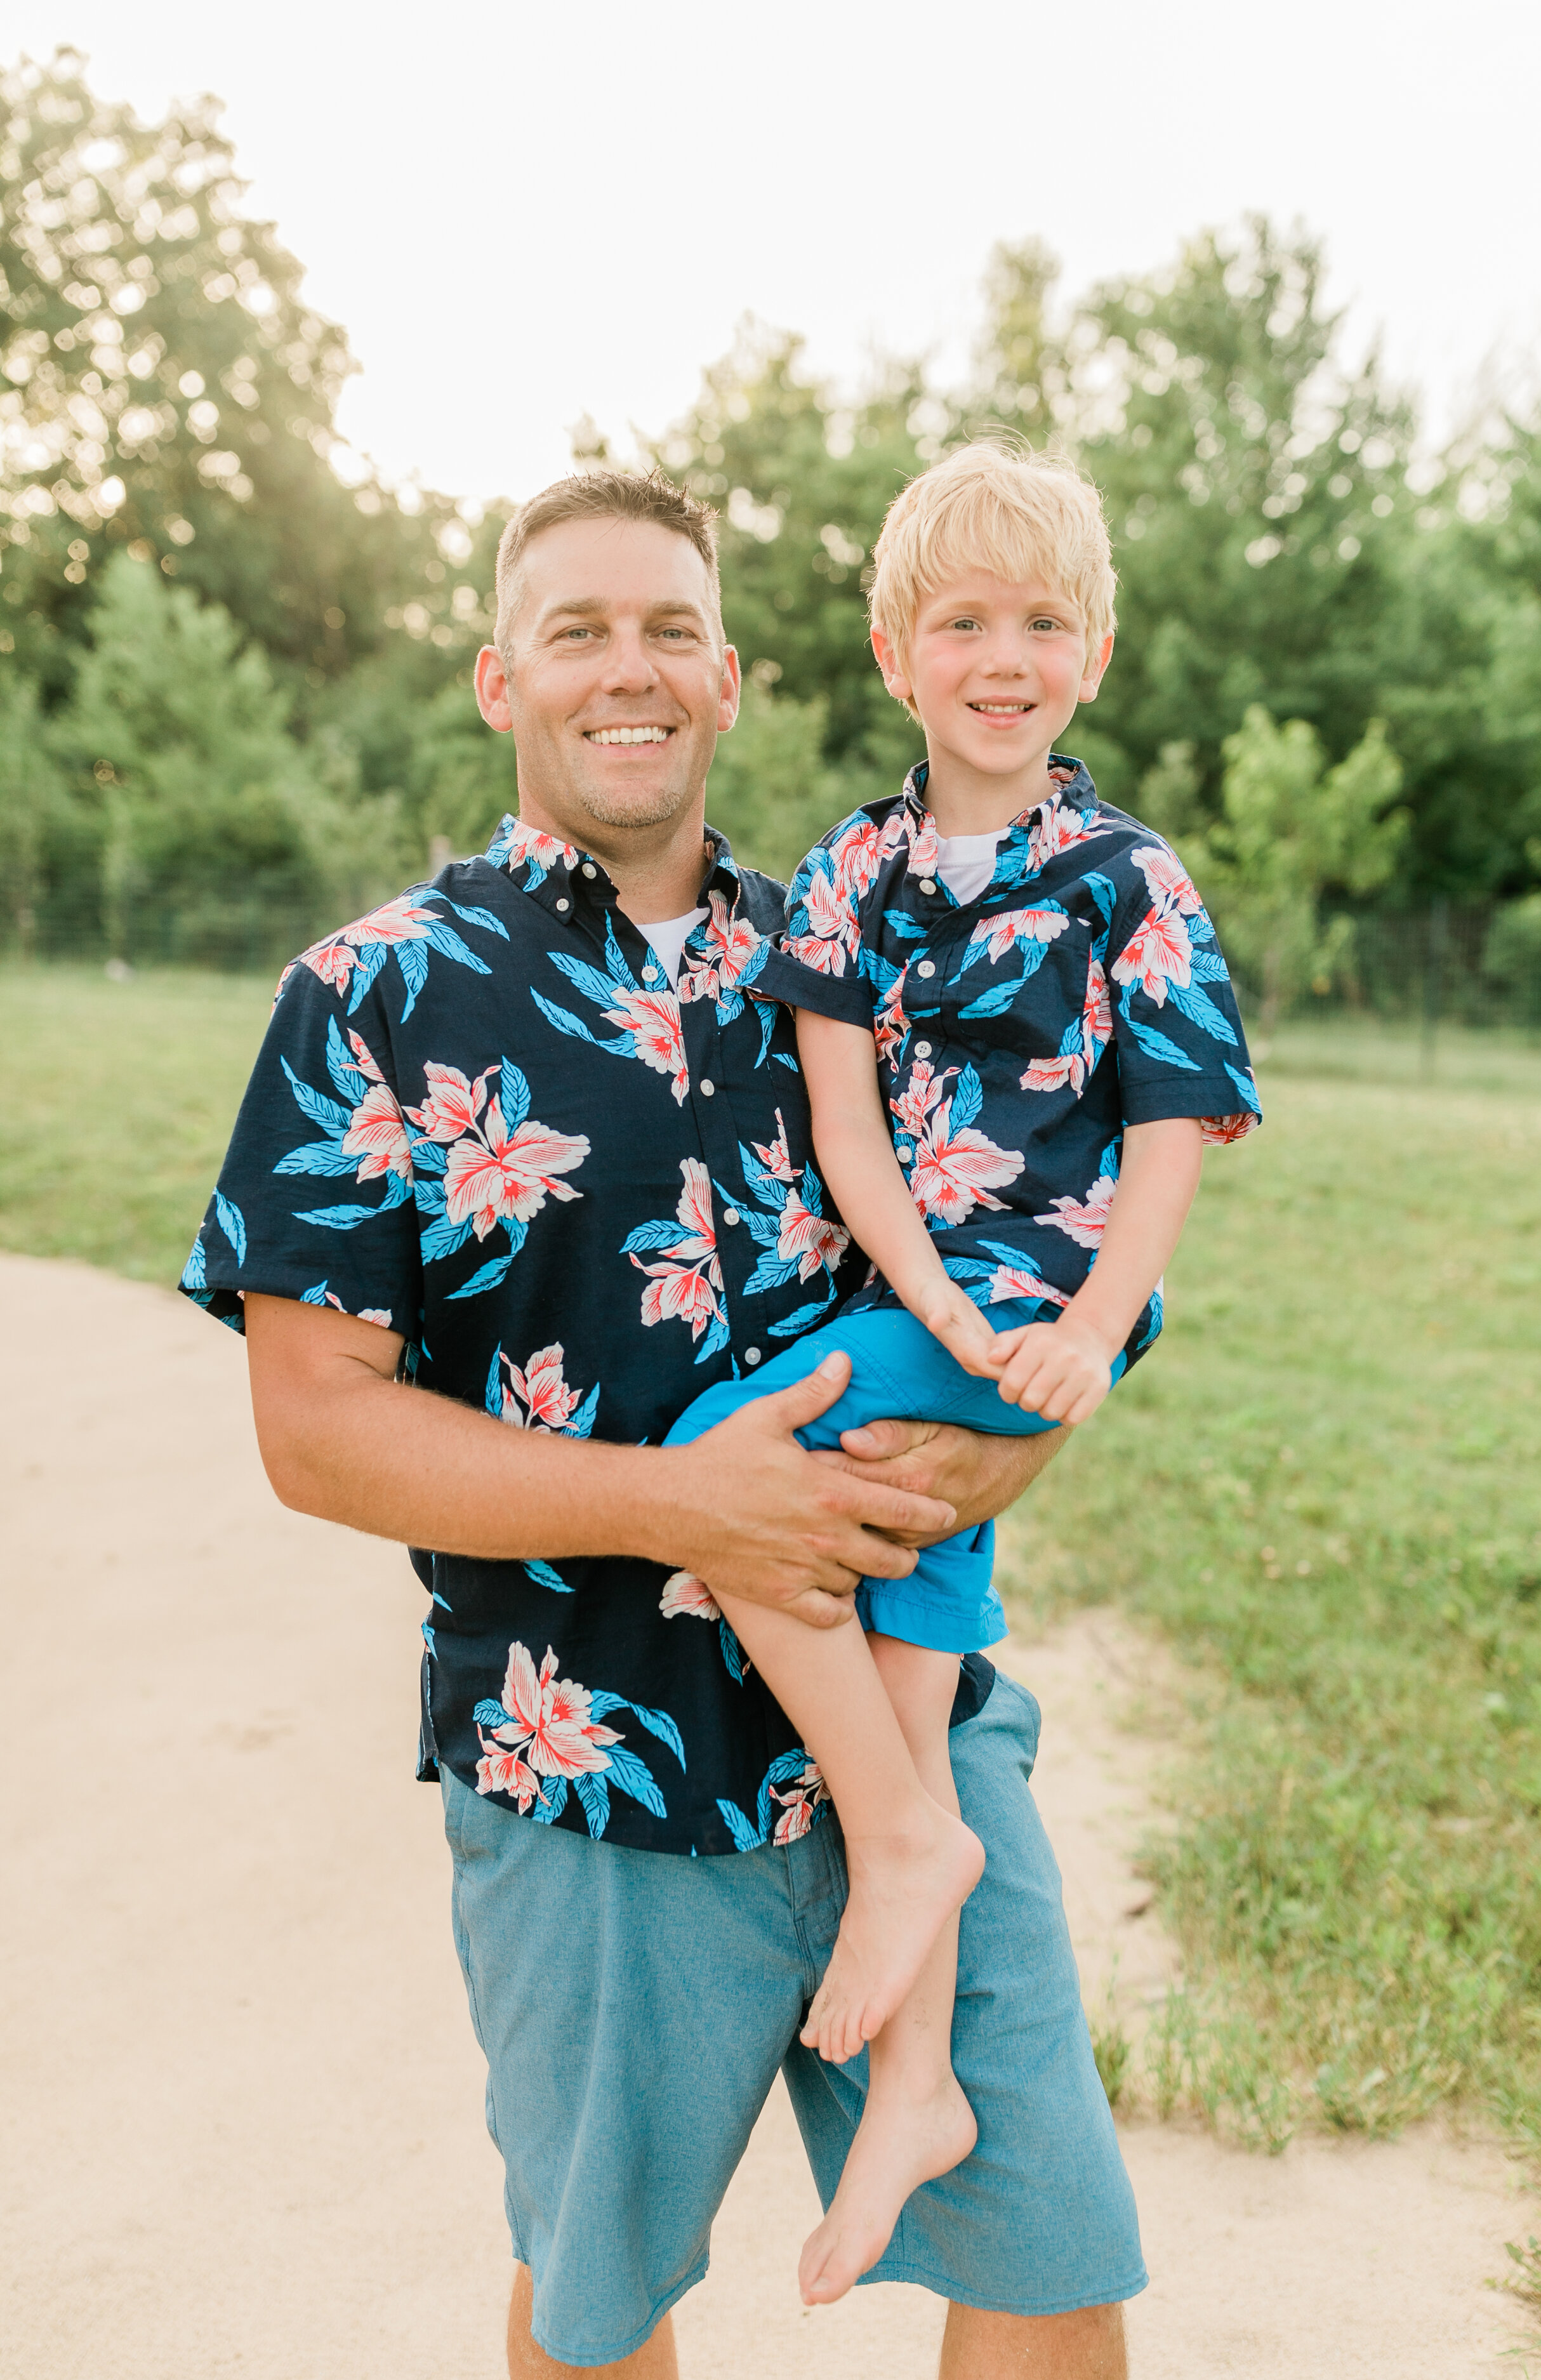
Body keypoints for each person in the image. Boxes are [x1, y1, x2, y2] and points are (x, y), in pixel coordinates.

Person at [180, 465, 1151, 2379]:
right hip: (590, 1775)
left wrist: (1013, 1446)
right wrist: (684, 1506)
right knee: (606, 2301)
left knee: (1044, 2267)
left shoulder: (858, 955)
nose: (626, 672)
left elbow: (1063, 1232)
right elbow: (314, 1429)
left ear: (731, 681)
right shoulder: (371, 999)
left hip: (911, 1734)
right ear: (495, 681)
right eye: (576, 632)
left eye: (667, 633)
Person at [658, 441, 1260, 2304]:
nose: (1002, 655)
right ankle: (917, 2080)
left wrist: (1078, 1331)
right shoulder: (850, 870)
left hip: (1047, 1324)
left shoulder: (1125, 879)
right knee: (910, 1656)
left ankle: (906, 1841)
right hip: (937, 1302)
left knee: (716, 1442)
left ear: (1090, 649)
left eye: (1041, 622)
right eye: (962, 621)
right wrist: (940, 1301)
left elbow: (1169, 1132)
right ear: (892, 649)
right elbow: (844, 1126)